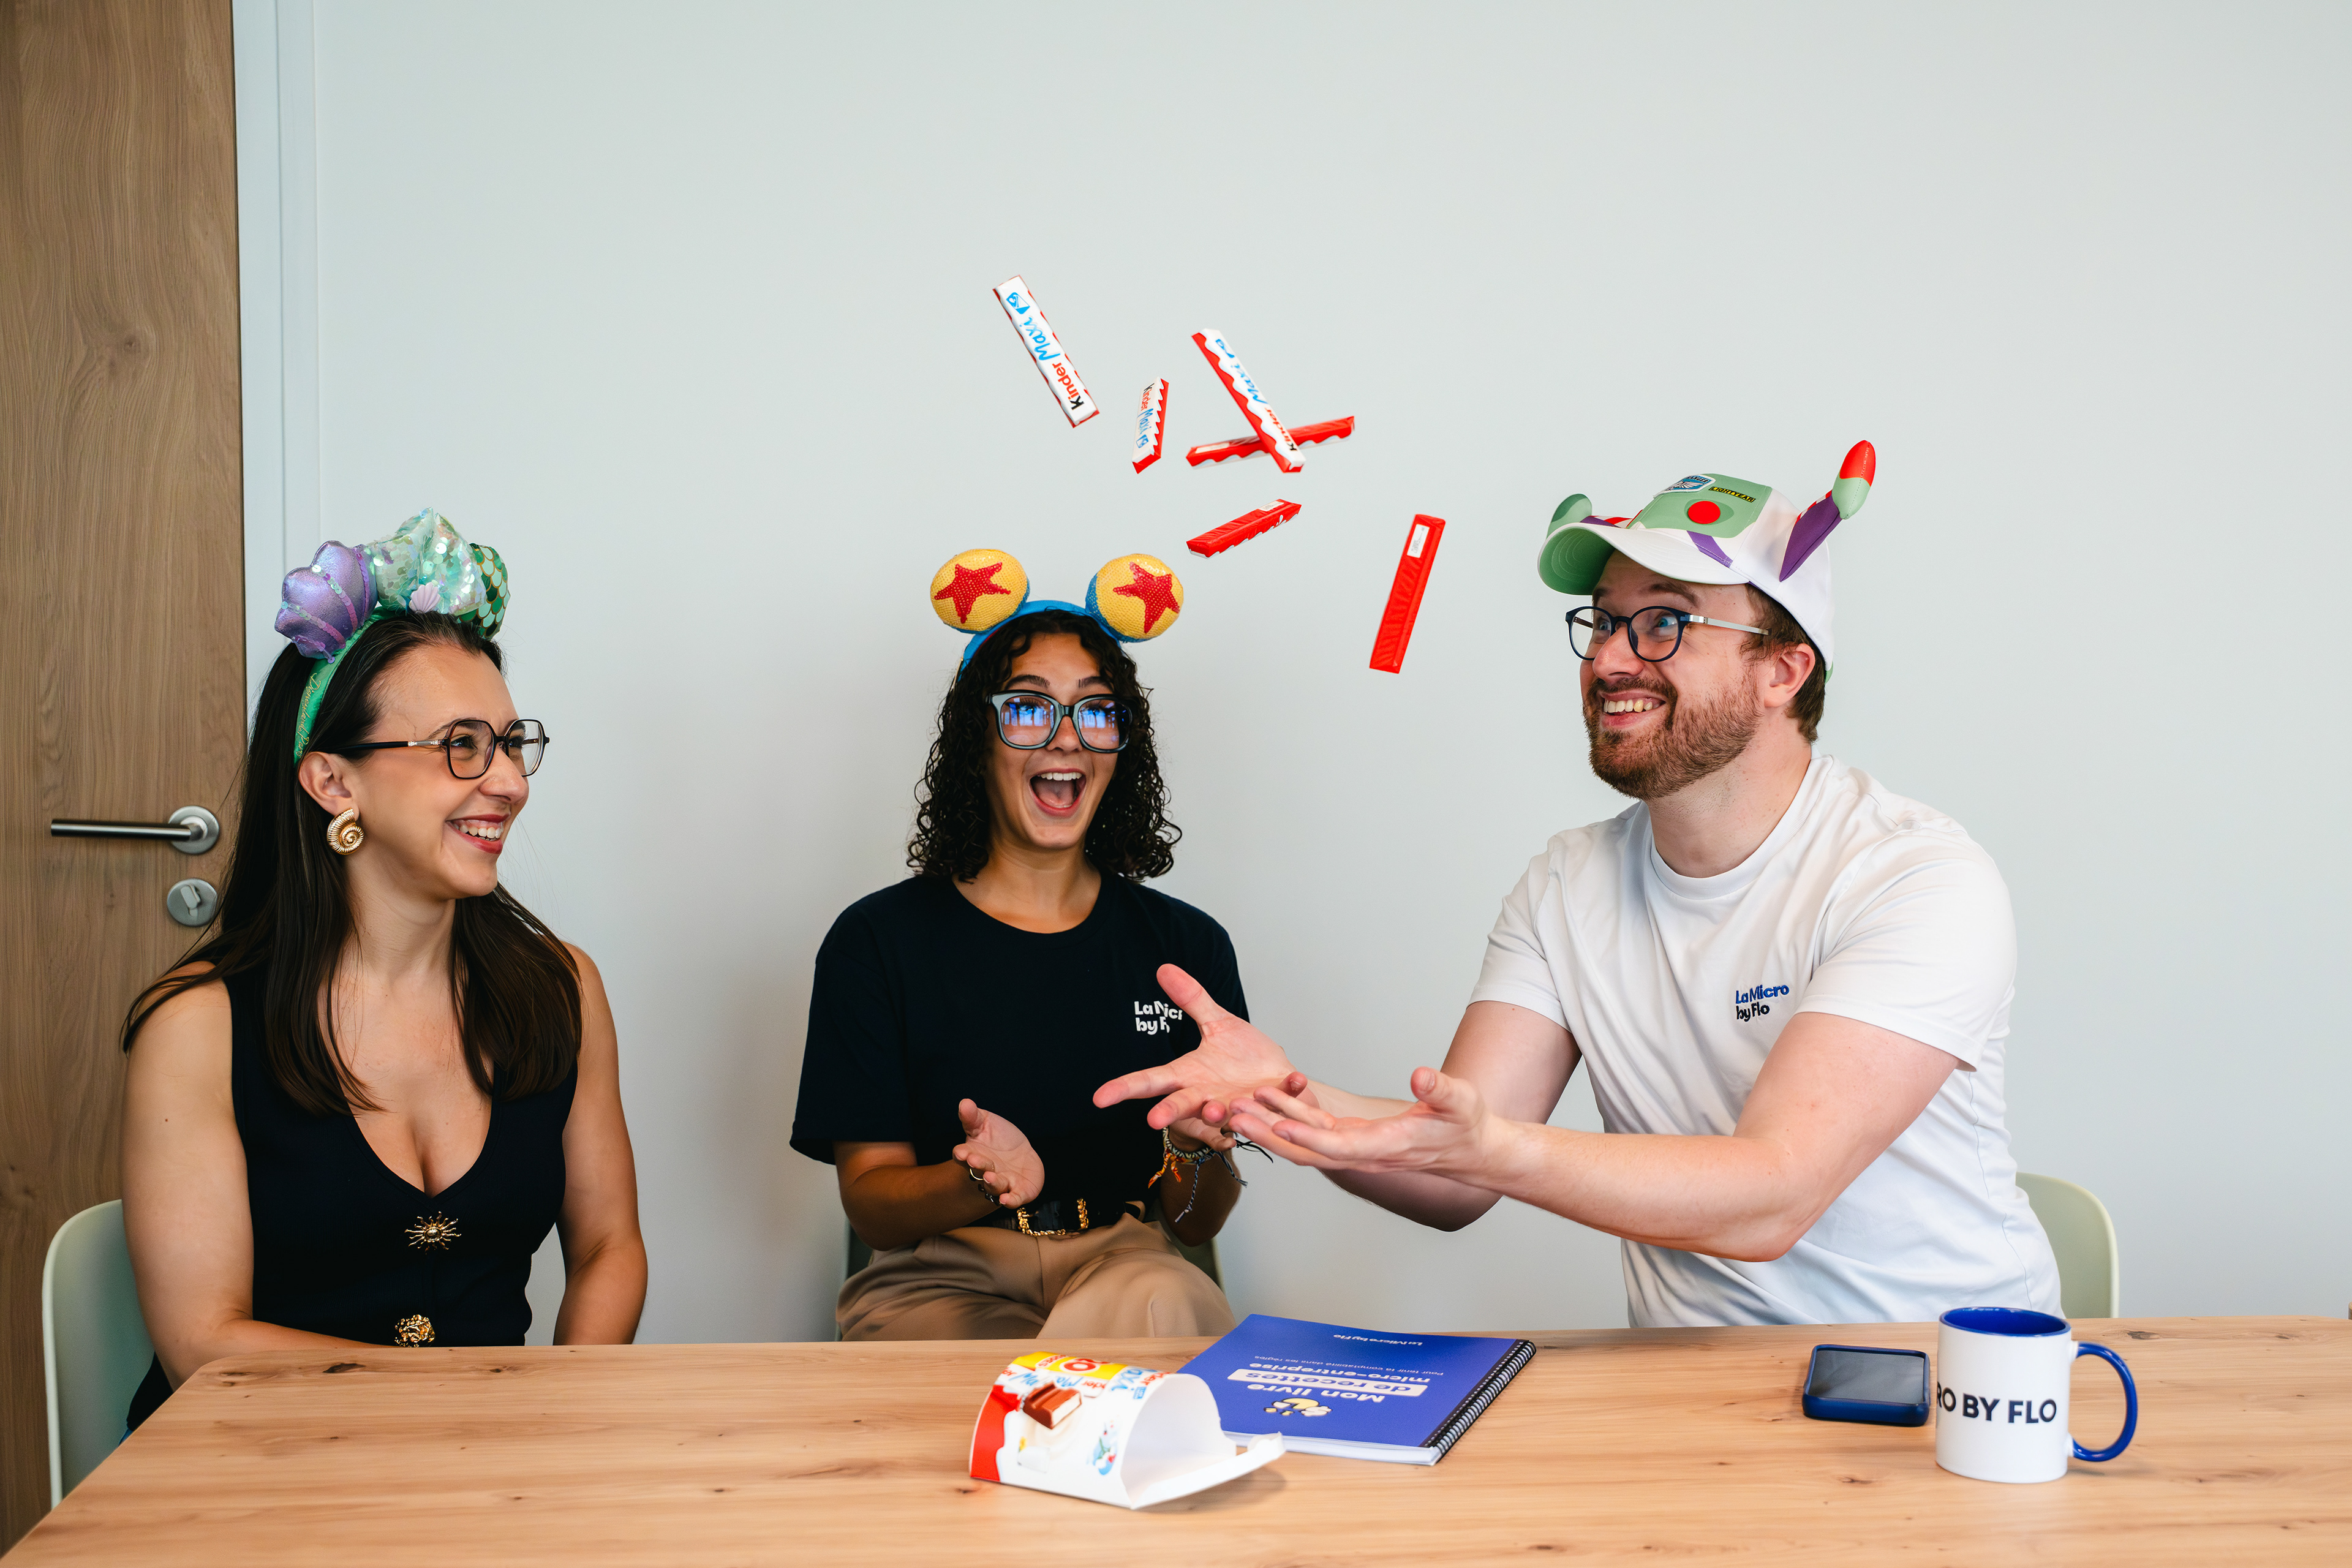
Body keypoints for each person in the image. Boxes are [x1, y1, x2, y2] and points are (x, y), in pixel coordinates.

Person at [1098, 446, 2062, 1327]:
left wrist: (1498, 1149)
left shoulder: (1913, 879)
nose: (1608, 658)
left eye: (1664, 623)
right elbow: (1453, 1173)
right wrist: (1281, 1098)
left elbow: (1773, 1195)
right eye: (1602, 621)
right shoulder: (1568, 885)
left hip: (1945, 1384)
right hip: (1689, 1400)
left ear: (1783, 669)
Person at [120, 510, 645, 1427]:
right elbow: (203, 1340)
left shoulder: (563, 989)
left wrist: (556, 1417)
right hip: (259, 1460)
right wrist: (468, 1406)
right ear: (333, 782)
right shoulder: (198, 1025)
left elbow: (609, 1250)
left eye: (510, 743)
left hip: (491, 1460)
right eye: (461, 745)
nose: (511, 783)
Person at [791, 549, 1251, 1340]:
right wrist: (976, 1181)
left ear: (1122, 745)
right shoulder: (875, 943)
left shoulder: (1188, 950)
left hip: (1124, 1266)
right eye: (1029, 709)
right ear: (978, 736)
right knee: (1003, 1386)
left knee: (1166, 1300)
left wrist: (1194, 1149)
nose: (1066, 739)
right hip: (940, 1278)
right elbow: (870, 1204)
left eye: (1096, 712)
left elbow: (1193, 1221)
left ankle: (1066, 1403)